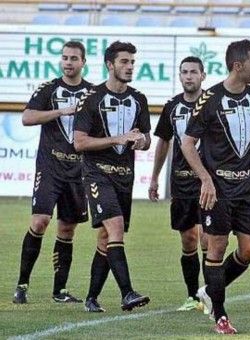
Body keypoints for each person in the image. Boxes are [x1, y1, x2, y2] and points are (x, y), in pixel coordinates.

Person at [181, 39, 250, 334]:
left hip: (248, 187)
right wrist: (206, 178)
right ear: (238, 66)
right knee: (217, 247)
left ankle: (210, 289)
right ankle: (220, 316)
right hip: (218, 189)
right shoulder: (209, 99)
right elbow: (187, 143)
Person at [74, 40, 151, 313]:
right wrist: (118, 138)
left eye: (132, 62)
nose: (130, 67)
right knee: (115, 228)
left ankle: (91, 298)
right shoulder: (91, 98)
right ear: (110, 64)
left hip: (124, 178)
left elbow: (146, 139)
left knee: (106, 239)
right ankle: (127, 293)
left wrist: (141, 141)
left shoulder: (139, 99)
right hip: (97, 175)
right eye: (124, 62)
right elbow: (80, 143)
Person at [13, 41, 92, 304]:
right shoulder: (48, 89)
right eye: (65, 58)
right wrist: (60, 111)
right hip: (50, 167)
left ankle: (60, 291)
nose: (68, 62)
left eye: (74, 58)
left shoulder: (92, 93)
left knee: (67, 230)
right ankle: (22, 285)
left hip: (78, 171)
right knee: (39, 222)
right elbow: (26, 118)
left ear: (83, 62)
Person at [149, 56, 208, 312]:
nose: (188, 77)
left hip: (208, 183)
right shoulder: (172, 106)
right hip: (182, 183)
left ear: (203, 75)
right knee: (188, 241)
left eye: (193, 72)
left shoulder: (213, 103)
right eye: (184, 72)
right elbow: (162, 141)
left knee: (209, 241)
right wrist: (154, 177)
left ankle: (211, 294)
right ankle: (192, 295)